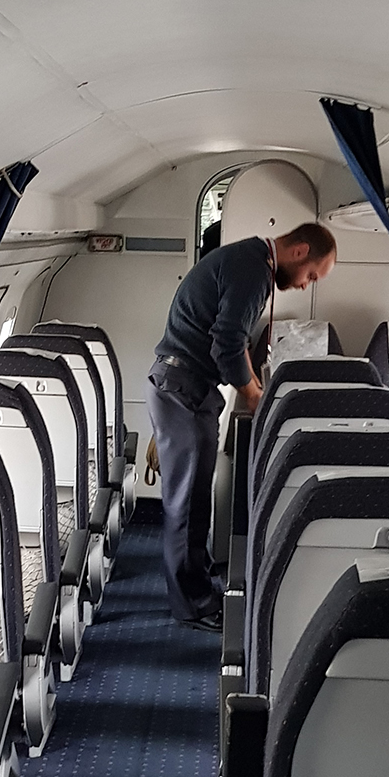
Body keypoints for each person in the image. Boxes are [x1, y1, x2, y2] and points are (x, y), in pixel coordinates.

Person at [147, 221, 336, 627]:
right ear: (299, 251)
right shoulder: (252, 269)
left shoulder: (249, 260)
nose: (305, 285)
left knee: (194, 503)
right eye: (311, 275)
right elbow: (227, 343)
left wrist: (255, 388)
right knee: (187, 506)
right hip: (183, 391)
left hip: (182, 388)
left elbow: (228, 340)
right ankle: (193, 606)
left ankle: (198, 589)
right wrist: (254, 397)